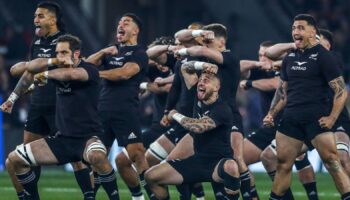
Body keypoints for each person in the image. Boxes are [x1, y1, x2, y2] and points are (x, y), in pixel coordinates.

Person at [7, 34, 118, 200]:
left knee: (97, 156)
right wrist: (50, 63)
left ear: (76, 54)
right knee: (14, 159)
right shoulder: (55, 68)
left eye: (64, 52)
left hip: (87, 139)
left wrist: (46, 75)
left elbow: (72, 75)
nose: (60, 56)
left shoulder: (89, 70)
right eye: (57, 53)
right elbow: (17, 70)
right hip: (62, 141)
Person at [1, 2, 92, 200]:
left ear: (53, 18)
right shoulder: (37, 41)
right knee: (28, 156)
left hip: (61, 106)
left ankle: (89, 196)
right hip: (38, 106)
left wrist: (38, 66)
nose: (35, 20)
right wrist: (13, 98)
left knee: (76, 158)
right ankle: (31, 197)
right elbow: (27, 74)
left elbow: (71, 71)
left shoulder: (65, 43)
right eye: (35, 15)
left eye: (40, 16)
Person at [263, 14, 350, 200]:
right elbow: (283, 93)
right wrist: (272, 113)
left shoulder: (324, 56)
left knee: (333, 162)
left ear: (313, 32)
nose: (296, 31)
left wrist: (332, 118)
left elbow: (341, 91)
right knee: (283, 165)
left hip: (316, 119)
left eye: (301, 28)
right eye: (294, 28)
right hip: (291, 119)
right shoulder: (289, 58)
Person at [175, 23, 253, 199]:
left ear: (222, 41)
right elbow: (179, 35)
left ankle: (250, 196)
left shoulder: (229, 57)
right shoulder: (206, 62)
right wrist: (198, 32)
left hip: (228, 117)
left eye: (209, 41)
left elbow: (202, 52)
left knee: (237, 160)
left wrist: (183, 52)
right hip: (203, 118)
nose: (205, 44)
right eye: (205, 41)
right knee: (176, 160)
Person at [240, 41, 318, 200]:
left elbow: (276, 85)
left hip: (292, 124)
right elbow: (239, 68)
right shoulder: (260, 70)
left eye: (266, 54)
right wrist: (257, 64)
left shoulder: (287, 66)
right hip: (270, 127)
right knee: (238, 158)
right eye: (260, 54)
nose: (263, 57)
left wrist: (250, 83)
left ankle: (313, 196)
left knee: (300, 157)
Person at [145, 72, 241, 200]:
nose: (201, 82)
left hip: (218, 163)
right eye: (200, 80)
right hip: (198, 161)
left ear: (216, 87)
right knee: (150, 176)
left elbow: (197, 127)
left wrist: (174, 114)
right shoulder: (198, 98)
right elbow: (184, 69)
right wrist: (200, 67)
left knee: (231, 166)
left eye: (206, 80)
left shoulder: (222, 109)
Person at [86, 13, 151, 199]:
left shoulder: (139, 53)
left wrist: (97, 74)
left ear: (136, 30)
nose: (120, 25)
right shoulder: (111, 51)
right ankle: (89, 196)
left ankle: (144, 196)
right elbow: (85, 65)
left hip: (125, 111)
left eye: (126, 22)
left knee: (137, 155)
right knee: (97, 160)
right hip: (102, 111)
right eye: (119, 22)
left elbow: (123, 74)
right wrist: (103, 52)